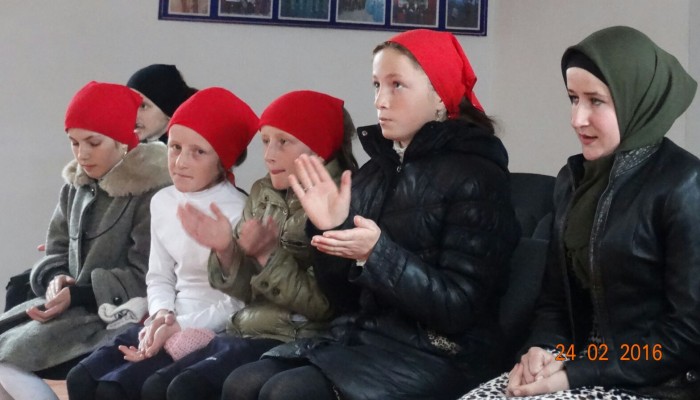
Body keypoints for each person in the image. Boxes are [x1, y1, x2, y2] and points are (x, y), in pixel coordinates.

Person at [222, 29, 520, 400]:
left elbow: (459, 308)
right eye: (377, 85)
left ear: (440, 97)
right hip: (362, 339)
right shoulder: (374, 173)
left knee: (287, 392)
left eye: (397, 85)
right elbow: (342, 301)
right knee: (241, 383)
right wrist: (329, 229)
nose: (380, 100)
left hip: (442, 353)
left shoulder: (477, 177)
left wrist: (377, 254)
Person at [463, 26, 700, 400]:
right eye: (573, 99)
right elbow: (555, 302)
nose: (577, 118)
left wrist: (575, 373)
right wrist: (543, 350)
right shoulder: (573, 180)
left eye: (596, 101)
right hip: (579, 367)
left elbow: (686, 336)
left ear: (635, 98)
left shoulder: (685, 185)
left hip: (656, 384)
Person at [128, 90, 358, 400]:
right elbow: (245, 292)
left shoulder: (343, 201)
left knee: (202, 387)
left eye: (283, 142)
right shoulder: (263, 192)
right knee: (158, 384)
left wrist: (267, 255)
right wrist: (227, 251)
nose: (268, 155)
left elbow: (324, 305)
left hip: (299, 334)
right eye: (265, 141)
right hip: (246, 327)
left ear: (318, 150)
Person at [65, 87, 258, 400]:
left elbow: (239, 302)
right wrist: (160, 316)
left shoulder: (240, 211)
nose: (180, 161)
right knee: (82, 378)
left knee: (118, 389)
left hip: (212, 328)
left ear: (223, 159)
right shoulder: (163, 200)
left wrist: (177, 325)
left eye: (198, 152)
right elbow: (158, 276)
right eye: (175, 147)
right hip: (168, 317)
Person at [0, 81, 171, 399]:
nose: (82, 154)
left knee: (8, 360)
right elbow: (57, 249)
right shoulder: (75, 187)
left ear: (123, 141)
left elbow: (145, 274)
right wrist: (55, 279)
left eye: (93, 142)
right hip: (73, 309)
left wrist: (79, 294)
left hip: (117, 316)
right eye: (74, 142)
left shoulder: (151, 192)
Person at [127, 64, 196, 143]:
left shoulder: (187, 148)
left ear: (169, 111)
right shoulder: (125, 146)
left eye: (143, 106)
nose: (133, 114)